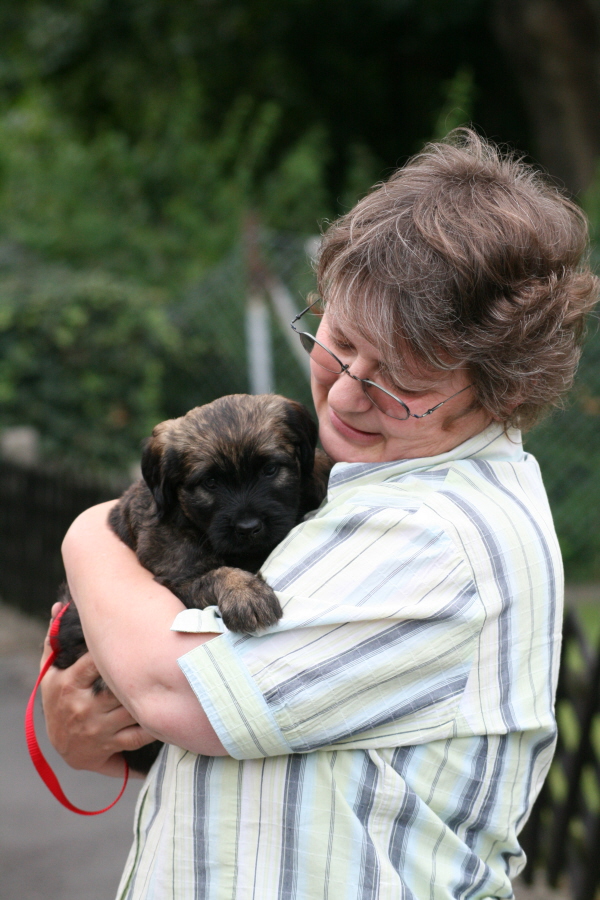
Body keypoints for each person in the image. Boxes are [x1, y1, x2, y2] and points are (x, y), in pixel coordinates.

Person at [40, 129, 598, 900]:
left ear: (503, 389)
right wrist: (82, 722)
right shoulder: (368, 480)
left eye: (398, 379)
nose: (341, 392)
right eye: (335, 340)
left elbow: (180, 695)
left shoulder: (438, 536)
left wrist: (86, 535)